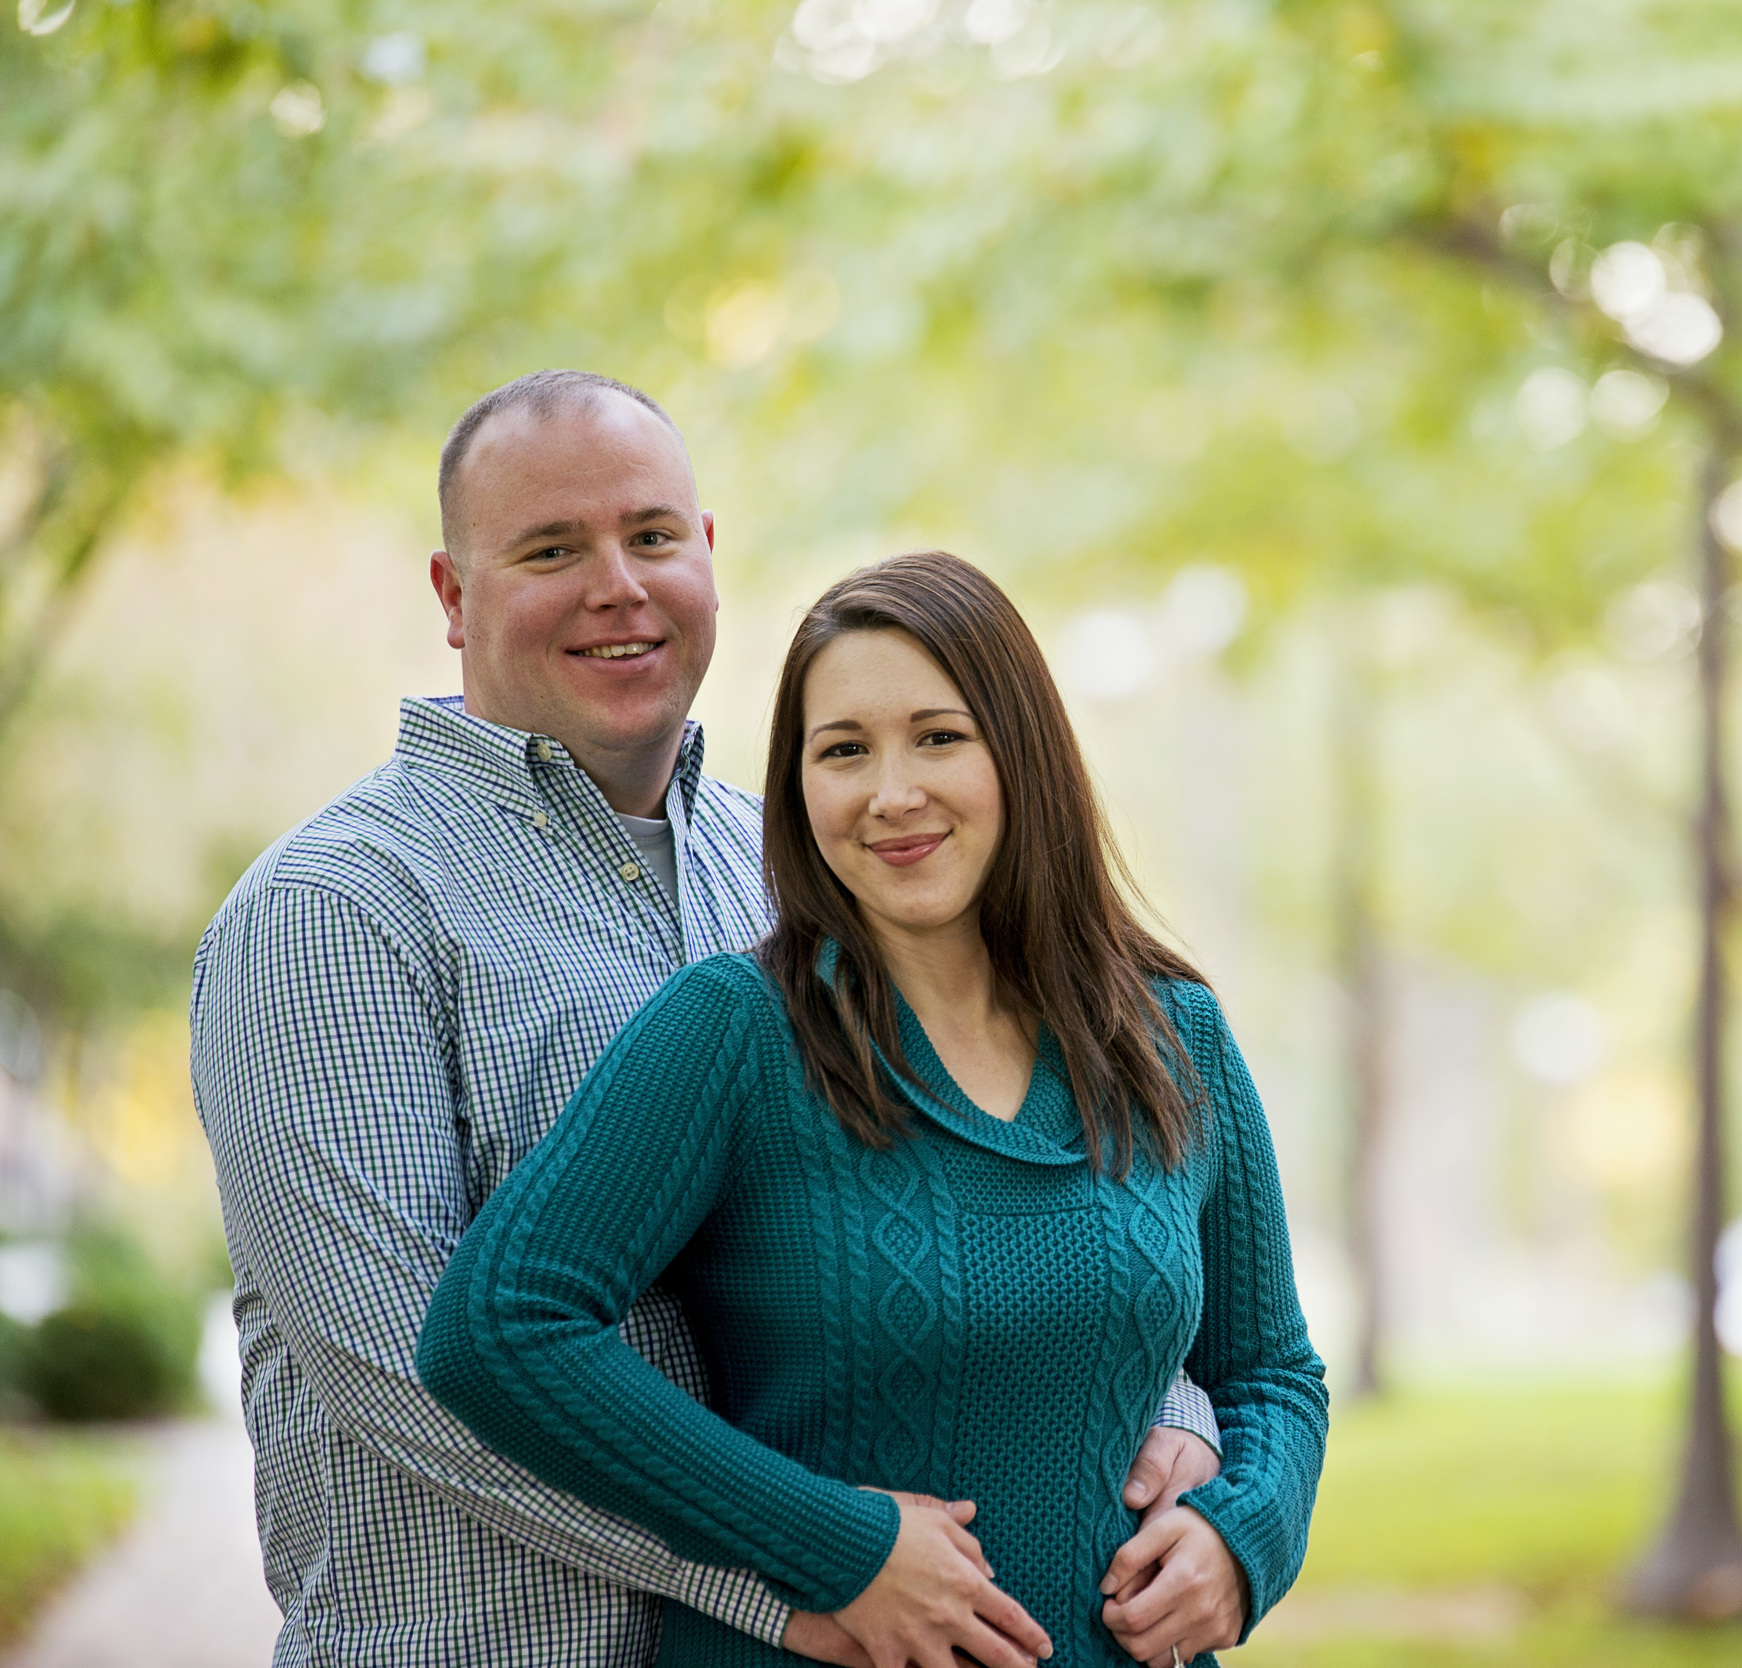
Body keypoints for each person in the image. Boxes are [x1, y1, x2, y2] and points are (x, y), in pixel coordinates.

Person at [190, 372, 1221, 1667]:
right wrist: (795, 1572)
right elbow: (409, 1367)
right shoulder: (334, 913)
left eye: (652, 537)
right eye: (551, 550)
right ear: (454, 599)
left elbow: (1008, 1192)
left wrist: (1167, 1403)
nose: (616, 585)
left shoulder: (812, 864)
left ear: (711, 558)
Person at [416, 549, 1329, 1668]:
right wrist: (834, 1542)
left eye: (938, 737)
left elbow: (1272, 1372)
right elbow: (498, 1327)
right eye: (843, 752)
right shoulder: (735, 1031)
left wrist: (1247, 1540)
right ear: (800, 790)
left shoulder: (1171, 1037)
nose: (892, 794)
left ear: (1020, 753)